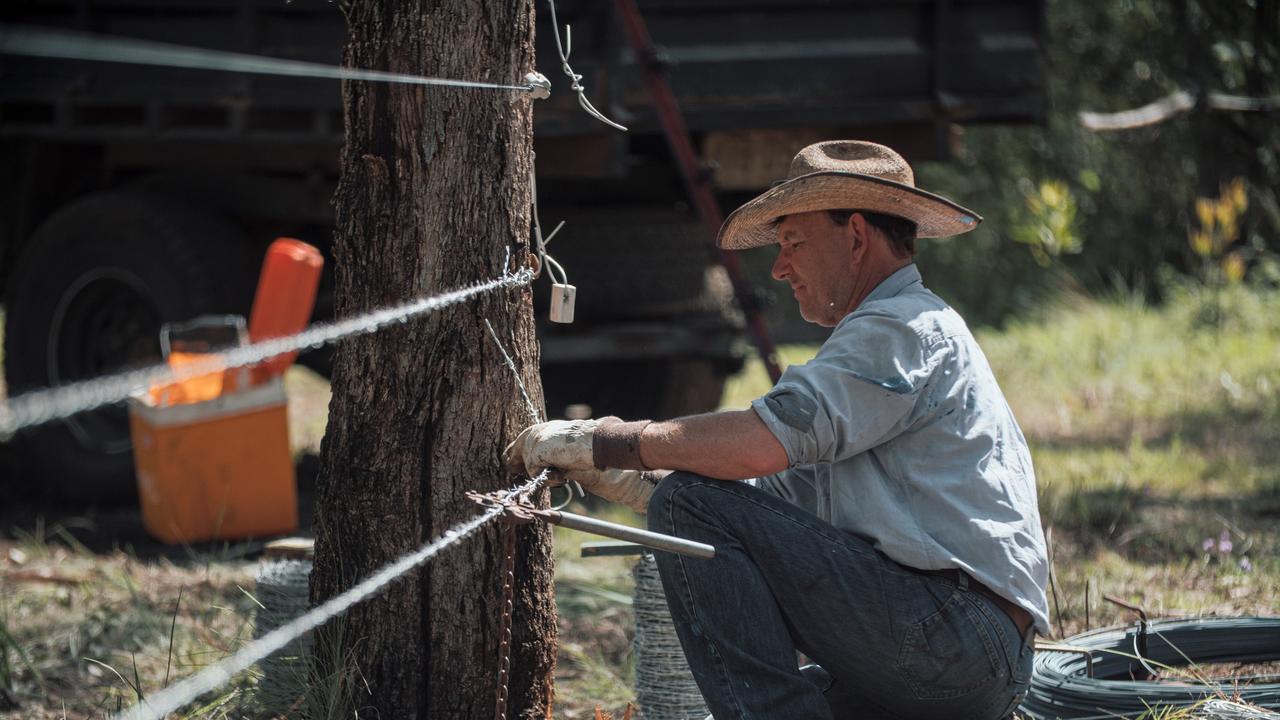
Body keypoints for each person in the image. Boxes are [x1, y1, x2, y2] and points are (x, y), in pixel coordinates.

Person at [506, 140, 1049, 720]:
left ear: (857, 236)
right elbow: (777, 509)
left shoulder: (897, 328)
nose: (780, 266)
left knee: (693, 505)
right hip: (962, 647)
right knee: (693, 504)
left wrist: (612, 442)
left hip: (951, 637)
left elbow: (764, 443)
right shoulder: (898, 331)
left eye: (794, 242)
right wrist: (647, 482)